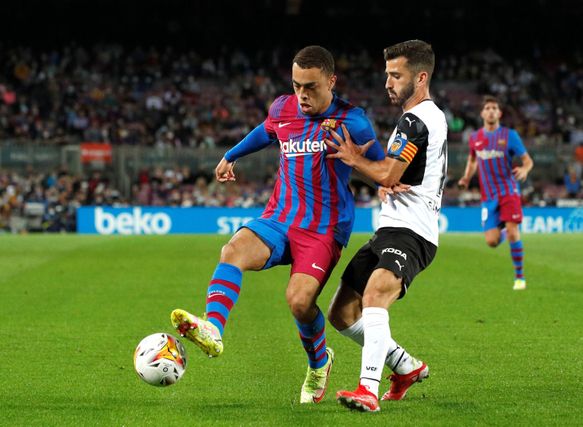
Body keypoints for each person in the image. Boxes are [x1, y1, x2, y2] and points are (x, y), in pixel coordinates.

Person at [170, 46, 386, 404]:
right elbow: (265, 131)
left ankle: (320, 362)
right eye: (297, 85)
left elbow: (382, 169)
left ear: (332, 82)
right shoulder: (283, 108)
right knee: (233, 249)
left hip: (323, 228)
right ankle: (212, 327)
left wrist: (392, 196)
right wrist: (230, 155)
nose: (302, 94)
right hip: (279, 216)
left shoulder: (353, 122)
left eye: (311, 87)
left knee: (300, 302)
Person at [323, 40, 447, 412]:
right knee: (342, 312)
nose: (388, 83)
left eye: (396, 75)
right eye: (387, 75)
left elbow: (390, 171)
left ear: (420, 77)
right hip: (391, 228)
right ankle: (405, 367)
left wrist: (353, 159)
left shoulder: (416, 119)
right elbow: (396, 173)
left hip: (413, 232)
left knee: (375, 296)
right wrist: (380, 175)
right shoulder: (421, 117)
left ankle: (367, 389)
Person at [458, 95, 533, 290]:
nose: (491, 111)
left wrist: (524, 170)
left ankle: (520, 277)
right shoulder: (475, 138)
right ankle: (505, 228)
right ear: (483, 113)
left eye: (495, 108)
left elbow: (528, 160)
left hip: (508, 191)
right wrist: (466, 177)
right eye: (488, 108)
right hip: (488, 197)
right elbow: (473, 160)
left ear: (499, 113)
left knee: (513, 231)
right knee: (492, 241)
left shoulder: (510, 136)